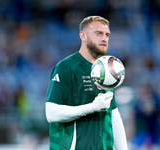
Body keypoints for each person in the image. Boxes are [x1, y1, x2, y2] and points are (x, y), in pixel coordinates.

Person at [45, 16, 128, 150]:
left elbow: (113, 117)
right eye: (98, 33)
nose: (104, 38)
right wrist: (92, 107)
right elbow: (51, 113)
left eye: (107, 34)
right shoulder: (66, 67)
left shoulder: (107, 70)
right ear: (83, 36)